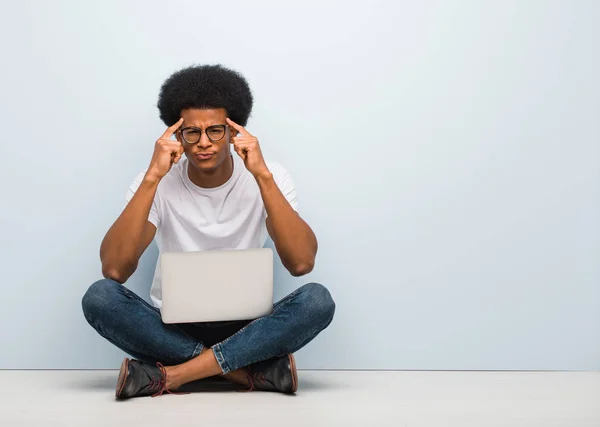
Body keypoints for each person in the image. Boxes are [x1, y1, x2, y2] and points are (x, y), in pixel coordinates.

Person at [81, 64, 335, 399]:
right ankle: (243, 373)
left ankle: (173, 376)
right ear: (177, 135)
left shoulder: (268, 175)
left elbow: (301, 263)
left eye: (215, 131)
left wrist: (261, 176)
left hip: (248, 327)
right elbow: (114, 269)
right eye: (192, 133)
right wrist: (152, 178)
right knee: (99, 297)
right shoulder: (157, 180)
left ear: (234, 132)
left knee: (317, 300)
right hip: (172, 326)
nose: (204, 143)